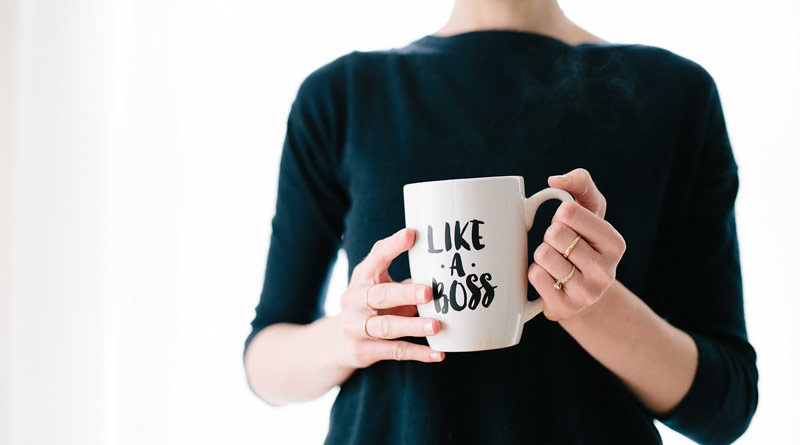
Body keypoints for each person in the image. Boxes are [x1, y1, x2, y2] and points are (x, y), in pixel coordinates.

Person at [243, 0, 758, 443]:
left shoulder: (676, 96)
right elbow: (264, 360)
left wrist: (591, 305)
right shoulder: (342, 97)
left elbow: (725, 404)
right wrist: (349, 336)